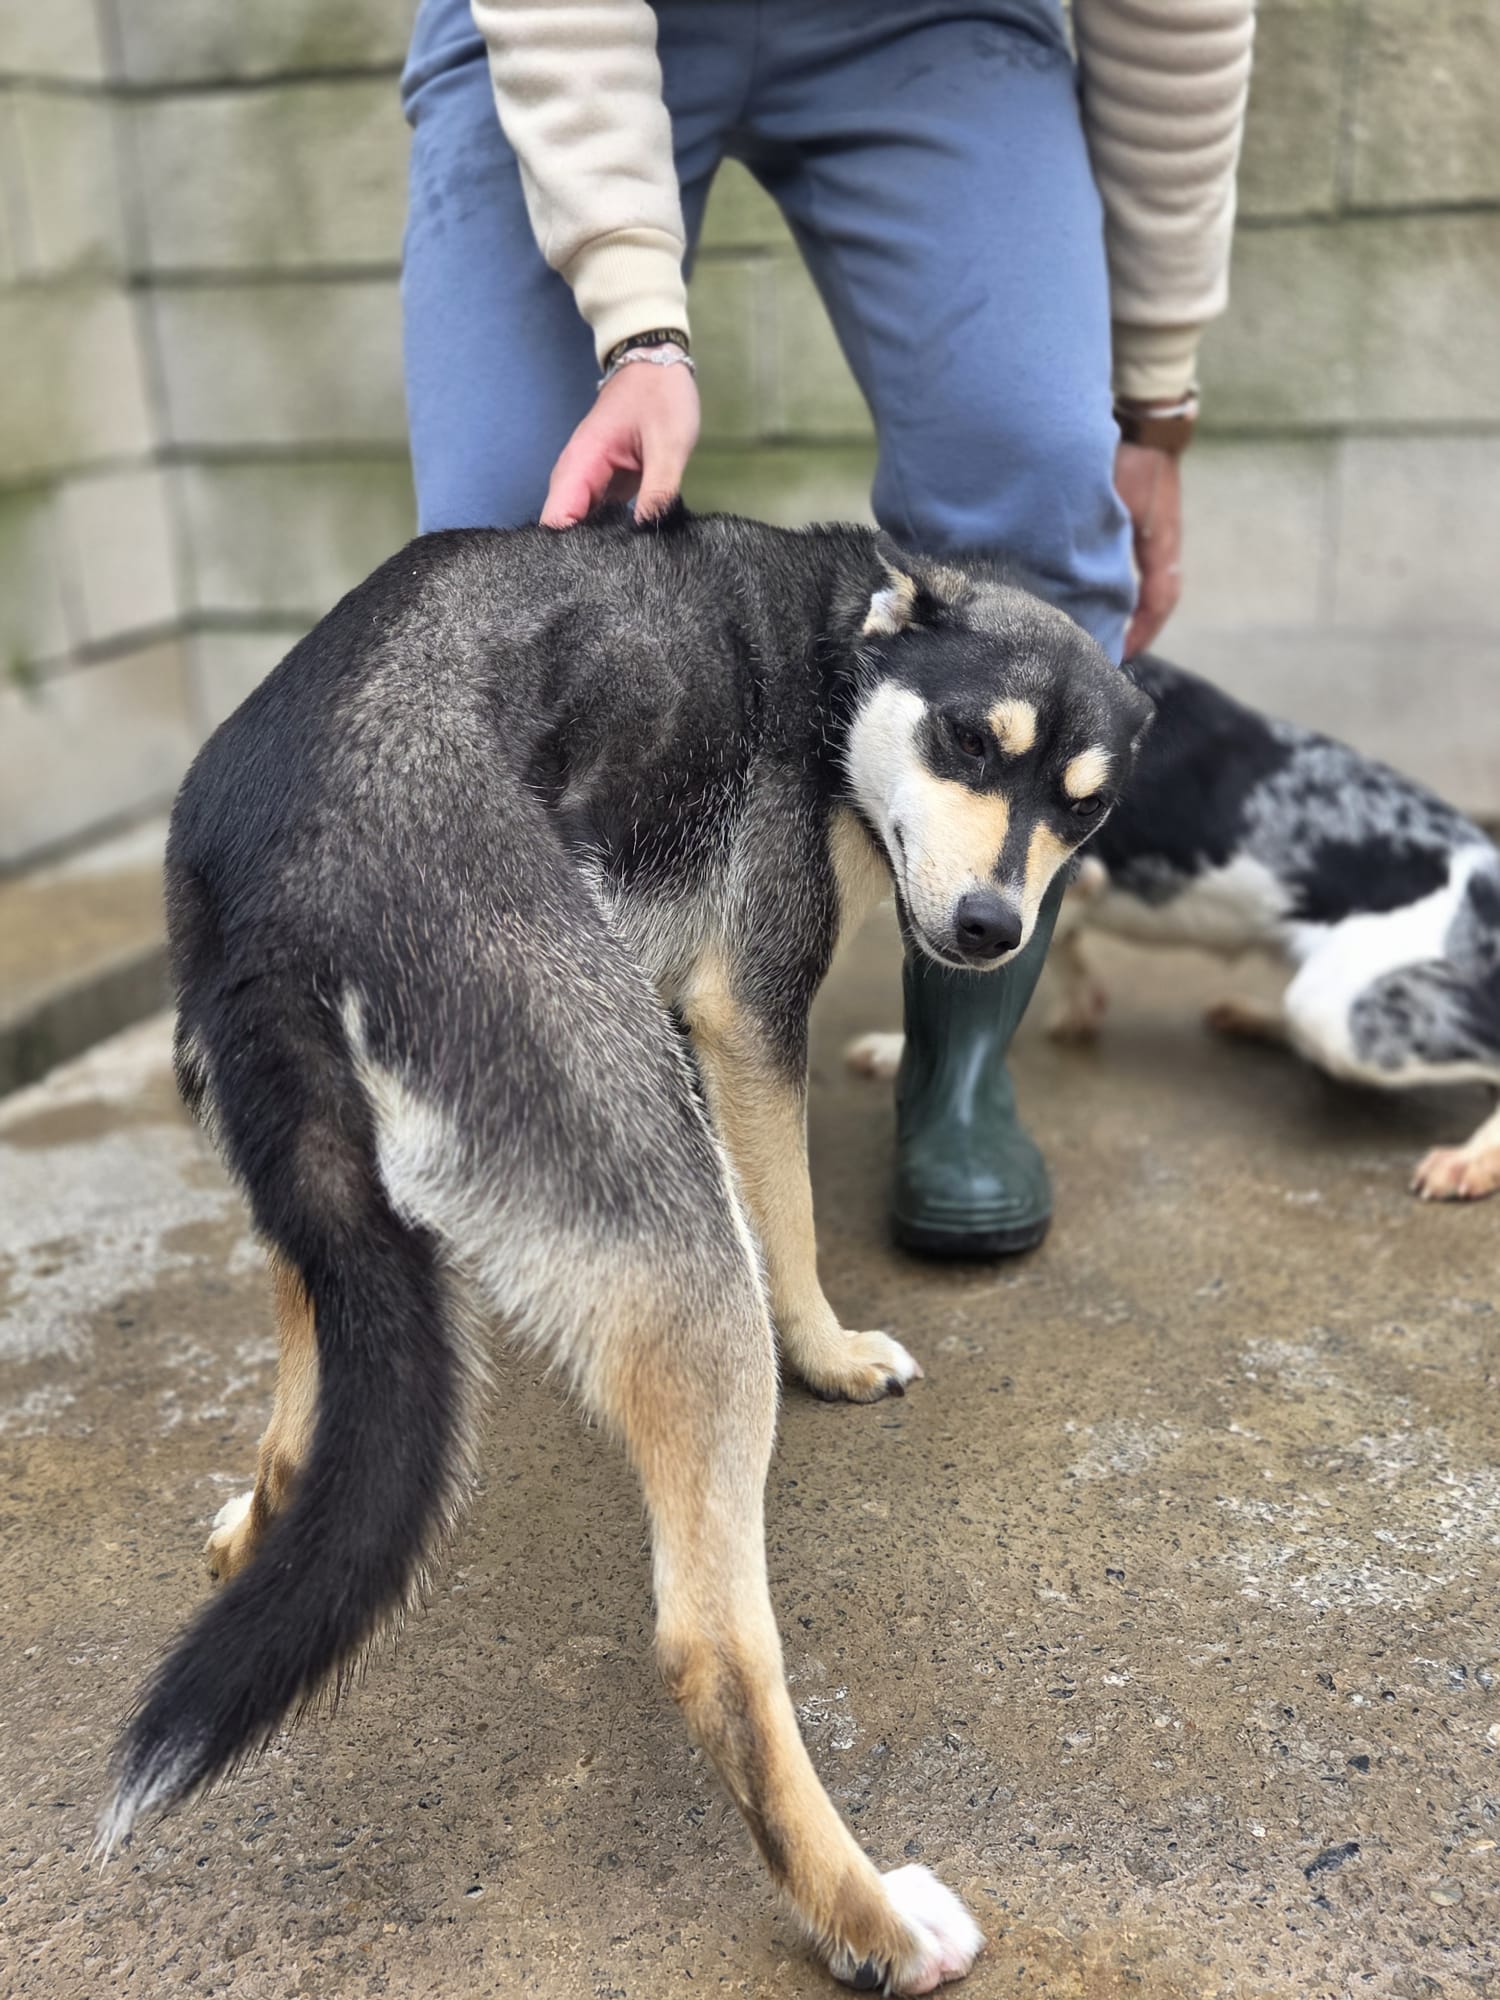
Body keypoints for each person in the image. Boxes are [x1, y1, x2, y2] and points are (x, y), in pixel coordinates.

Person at [400, 0, 1255, 1257]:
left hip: (933, 24)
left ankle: (959, 1074)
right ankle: (599, 1056)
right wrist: (637, 322)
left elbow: (1176, 19)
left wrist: (1153, 402)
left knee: (1040, 505)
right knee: (511, 544)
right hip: (575, 27)